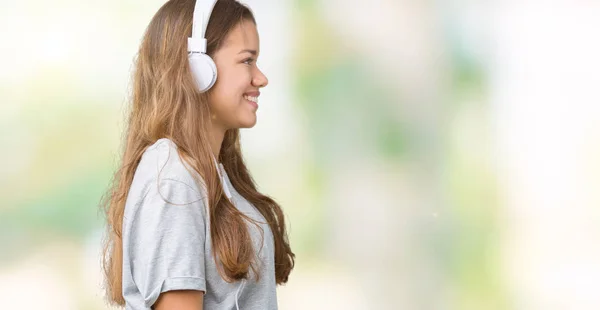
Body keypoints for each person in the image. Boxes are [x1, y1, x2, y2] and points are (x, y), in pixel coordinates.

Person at [99, 0, 295, 309]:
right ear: (197, 66)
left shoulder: (207, 174)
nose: (261, 78)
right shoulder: (173, 176)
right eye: (247, 61)